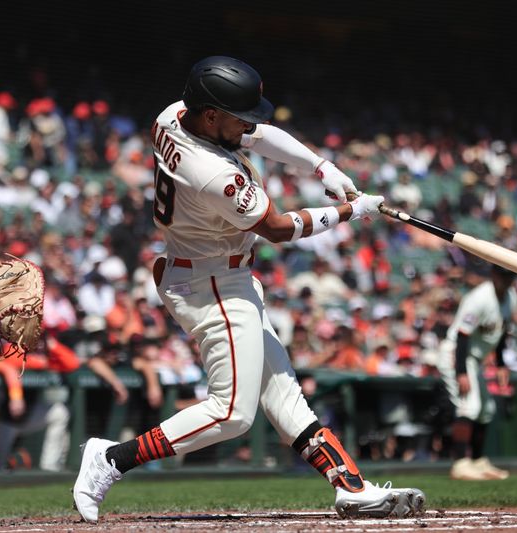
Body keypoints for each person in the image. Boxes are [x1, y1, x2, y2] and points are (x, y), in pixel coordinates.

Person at [72, 56, 424, 522]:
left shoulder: (175, 114)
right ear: (212, 116)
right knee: (232, 413)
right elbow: (278, 228)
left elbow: (260, 136)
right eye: (240, 118)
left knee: (281, 389)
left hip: (217, 271)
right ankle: (111, 459)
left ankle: (350, 486)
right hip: (209, 283)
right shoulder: (213, 172)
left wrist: (322, 167)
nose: (248, 126)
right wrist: (351, 212)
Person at [436, 263, 515, 481]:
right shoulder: (479, 298)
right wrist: (461, 372)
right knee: (469, 406)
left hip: (475, 358)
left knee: (486, 409)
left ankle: (478, 462)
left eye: (511, 276)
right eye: (504, 274)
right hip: (456, 353)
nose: (507, 280)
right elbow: (462, 335)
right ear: (494, 274)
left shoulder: (511, 297)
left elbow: (501, 332)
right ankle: (461, 463)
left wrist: (500, 364)